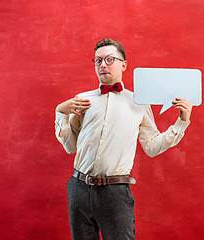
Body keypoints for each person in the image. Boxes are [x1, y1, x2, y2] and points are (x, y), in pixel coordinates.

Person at [55, 38, 192, 240]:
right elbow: (70, 147)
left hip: (115, 192)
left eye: (110, 59)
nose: (103, 65)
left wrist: (182, 122)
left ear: (124, 65)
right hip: (78, 187)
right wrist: (61, 113)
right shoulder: (82, 100)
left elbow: (151, 146)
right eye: (98, 60)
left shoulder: (139, 102)